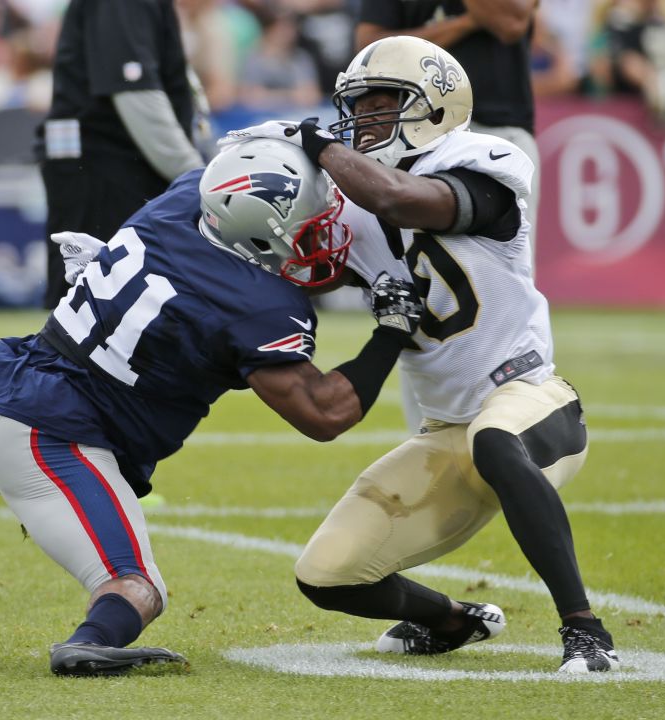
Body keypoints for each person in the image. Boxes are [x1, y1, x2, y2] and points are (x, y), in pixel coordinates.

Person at [0, 139, 425, 677]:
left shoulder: (178, 202)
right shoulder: (260, 304)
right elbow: (324, 414)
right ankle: (90, 642)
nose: (325, 238)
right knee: (137, 586)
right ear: (258, 233)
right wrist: (392, 329)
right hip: (51, 437)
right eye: (312, 226)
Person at [232, 35, 618, 673]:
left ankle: (585, 628)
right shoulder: (351, 205)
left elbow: (405, 200)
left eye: (385, 104)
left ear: (437, 104)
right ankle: (452, 622)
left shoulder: (489, 160)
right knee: (326, 575)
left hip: (531, 403)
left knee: (494, 441)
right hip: (447, 432)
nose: (366, 121)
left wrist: (319, 147)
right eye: (358, 107)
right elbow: (293, 264)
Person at [353, 0, 541, 433]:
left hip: (495, 131)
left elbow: (510, 21)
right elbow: (371, 51)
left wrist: (432, 38)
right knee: (411, 290)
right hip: (416, 132)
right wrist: (466, 24)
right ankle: (432, 434)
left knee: (506, 292)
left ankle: (514, 425)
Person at [37, 0, 207, 310]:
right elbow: (135, 93)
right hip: (107, 167)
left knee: (107, 302)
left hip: (105, 162)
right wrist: (199, 179)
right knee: (93, 301)